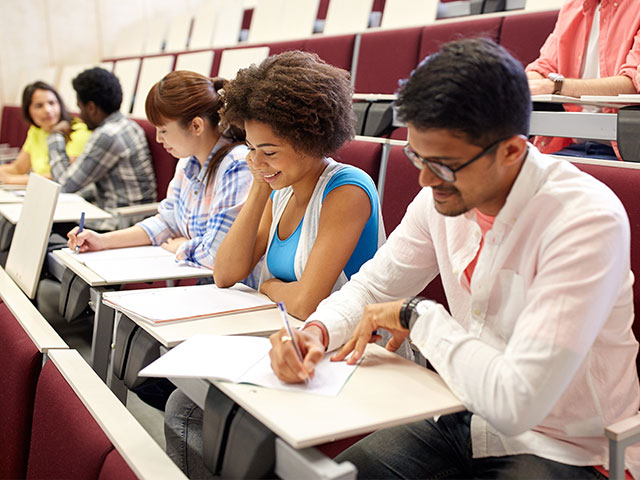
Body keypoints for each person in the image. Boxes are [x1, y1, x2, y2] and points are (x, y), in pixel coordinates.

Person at [269, 39, 640, 478]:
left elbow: (517, 402)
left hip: (570, 445)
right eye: (416, 156)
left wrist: (417, 316)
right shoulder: (441, 197)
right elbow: (373, 287)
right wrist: (315, 332)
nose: (425, 179)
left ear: (512, 151)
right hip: (462, 411)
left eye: (442, 165)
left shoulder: (583, 220)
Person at [164, 50, 386, 478]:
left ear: (310, 140)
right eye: (250, 149)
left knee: (192, 413)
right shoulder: (279, 185)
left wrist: (267, 286)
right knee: (187, 403)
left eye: (269, 151)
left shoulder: (347, 190)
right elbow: (227, 273)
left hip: (349, 351)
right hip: (296, 339)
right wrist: (260, 189)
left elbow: (305, 301)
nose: (256, 161)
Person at [66, 70, 252, 270]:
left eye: (163, 130)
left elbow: (217, 254)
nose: (158, 139)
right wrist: (103, 241)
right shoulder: (188, 161)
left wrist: (182, 246)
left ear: (196, 126)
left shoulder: (236, 166)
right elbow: (167, 222)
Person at [525, 0, 640, 160]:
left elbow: (633, 83)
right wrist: (527, 83)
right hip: (572, 145)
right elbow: (543, 67)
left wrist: (555, 86)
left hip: (623, 151)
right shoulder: (572, 7)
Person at [47, 67, 156, 230]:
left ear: (91, 107)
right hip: (128, 217)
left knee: (44, 227)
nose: (79, 115)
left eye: (80, 107)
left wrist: (55, 136)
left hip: (119, 223)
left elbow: (64, 186)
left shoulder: (107, 135)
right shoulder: (127, 125)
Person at [0, 81, 91, 185]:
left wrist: (10, 180)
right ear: (28, 111)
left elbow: (61, 176)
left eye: (52, 103)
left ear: (60, 104)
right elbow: (19, 168)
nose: (48, 110)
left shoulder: (79, 130)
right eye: (39, 106)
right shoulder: (36, 130)